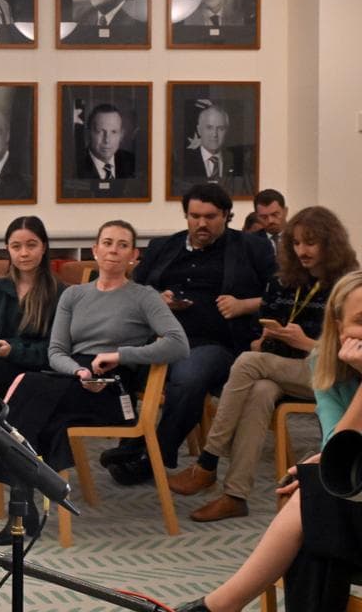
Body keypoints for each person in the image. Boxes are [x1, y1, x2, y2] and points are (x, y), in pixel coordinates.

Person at [0, 220, 188, 544]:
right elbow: (56, 351)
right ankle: (20, 510)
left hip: (113, 388)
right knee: (44, 417)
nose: (113, 250)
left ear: (134, 255)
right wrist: (77, 371)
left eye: (122, 245)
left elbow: (178, 343)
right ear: (95, 250)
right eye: (107, 243)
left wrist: (120, 356)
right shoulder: (74, 295)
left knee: (28, 389)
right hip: (73, 379)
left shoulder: (143, 297)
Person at [175, 270, 362, 612]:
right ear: (337, 325)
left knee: (311, 499)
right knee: (307, 495)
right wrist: (319, 464)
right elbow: (339, 450)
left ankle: (218, 605)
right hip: (352, 500)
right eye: (361, 321)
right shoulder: (325, 363)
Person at [169, 206, 360, 522]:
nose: (302, 251)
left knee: (247, 362)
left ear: (330, 243)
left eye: (310, 243)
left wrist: (304, 343)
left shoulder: (347, 286)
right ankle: (235, 494)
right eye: (296, 243)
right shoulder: (284, 281)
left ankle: (207, 460)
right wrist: (265, 338)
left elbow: (341, 351)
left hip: (330, 371)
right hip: (282, 366)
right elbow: (260, 327)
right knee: (259, 390)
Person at [102, 183, 274, 485]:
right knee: (110, 360)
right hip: (157, 338)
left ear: (226, 216)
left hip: (215, 342)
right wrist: (156, 299)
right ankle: (130, 441)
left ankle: (150, 455)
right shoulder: (162, 247)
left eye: (210, 216)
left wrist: (245, 304)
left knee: (190, 375)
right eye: (194, 216)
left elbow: (280, 294)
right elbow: (133, 292)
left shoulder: (251, 247)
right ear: (186, 215)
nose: (202, 224)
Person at [0, 216, 66, 400]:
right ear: (7, 249)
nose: (24, 253)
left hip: (35, 373)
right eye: (16, 246)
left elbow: (55, 351)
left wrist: (12, 351)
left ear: (44, 247)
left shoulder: (60, 294)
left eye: (31, 245)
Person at [181, 104, 249, 194]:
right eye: (209, 128)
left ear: (226, 131)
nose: (215, 134)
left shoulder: (237, 162)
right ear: (199, 130)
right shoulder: (183, 162)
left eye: (220, 129)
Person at [75, 103, 136, 179]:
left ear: (121, 135)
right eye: (100, 131)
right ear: (88, 133)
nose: (107, 140)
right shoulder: (75, 166)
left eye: (113, 132)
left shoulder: (132, 162)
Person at [253, 188, 288, 254]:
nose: (270, 221)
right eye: (264, 217)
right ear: (257, 217)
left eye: (275, 214)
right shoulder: (251, 242)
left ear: (285, 211)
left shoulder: (297, 237)